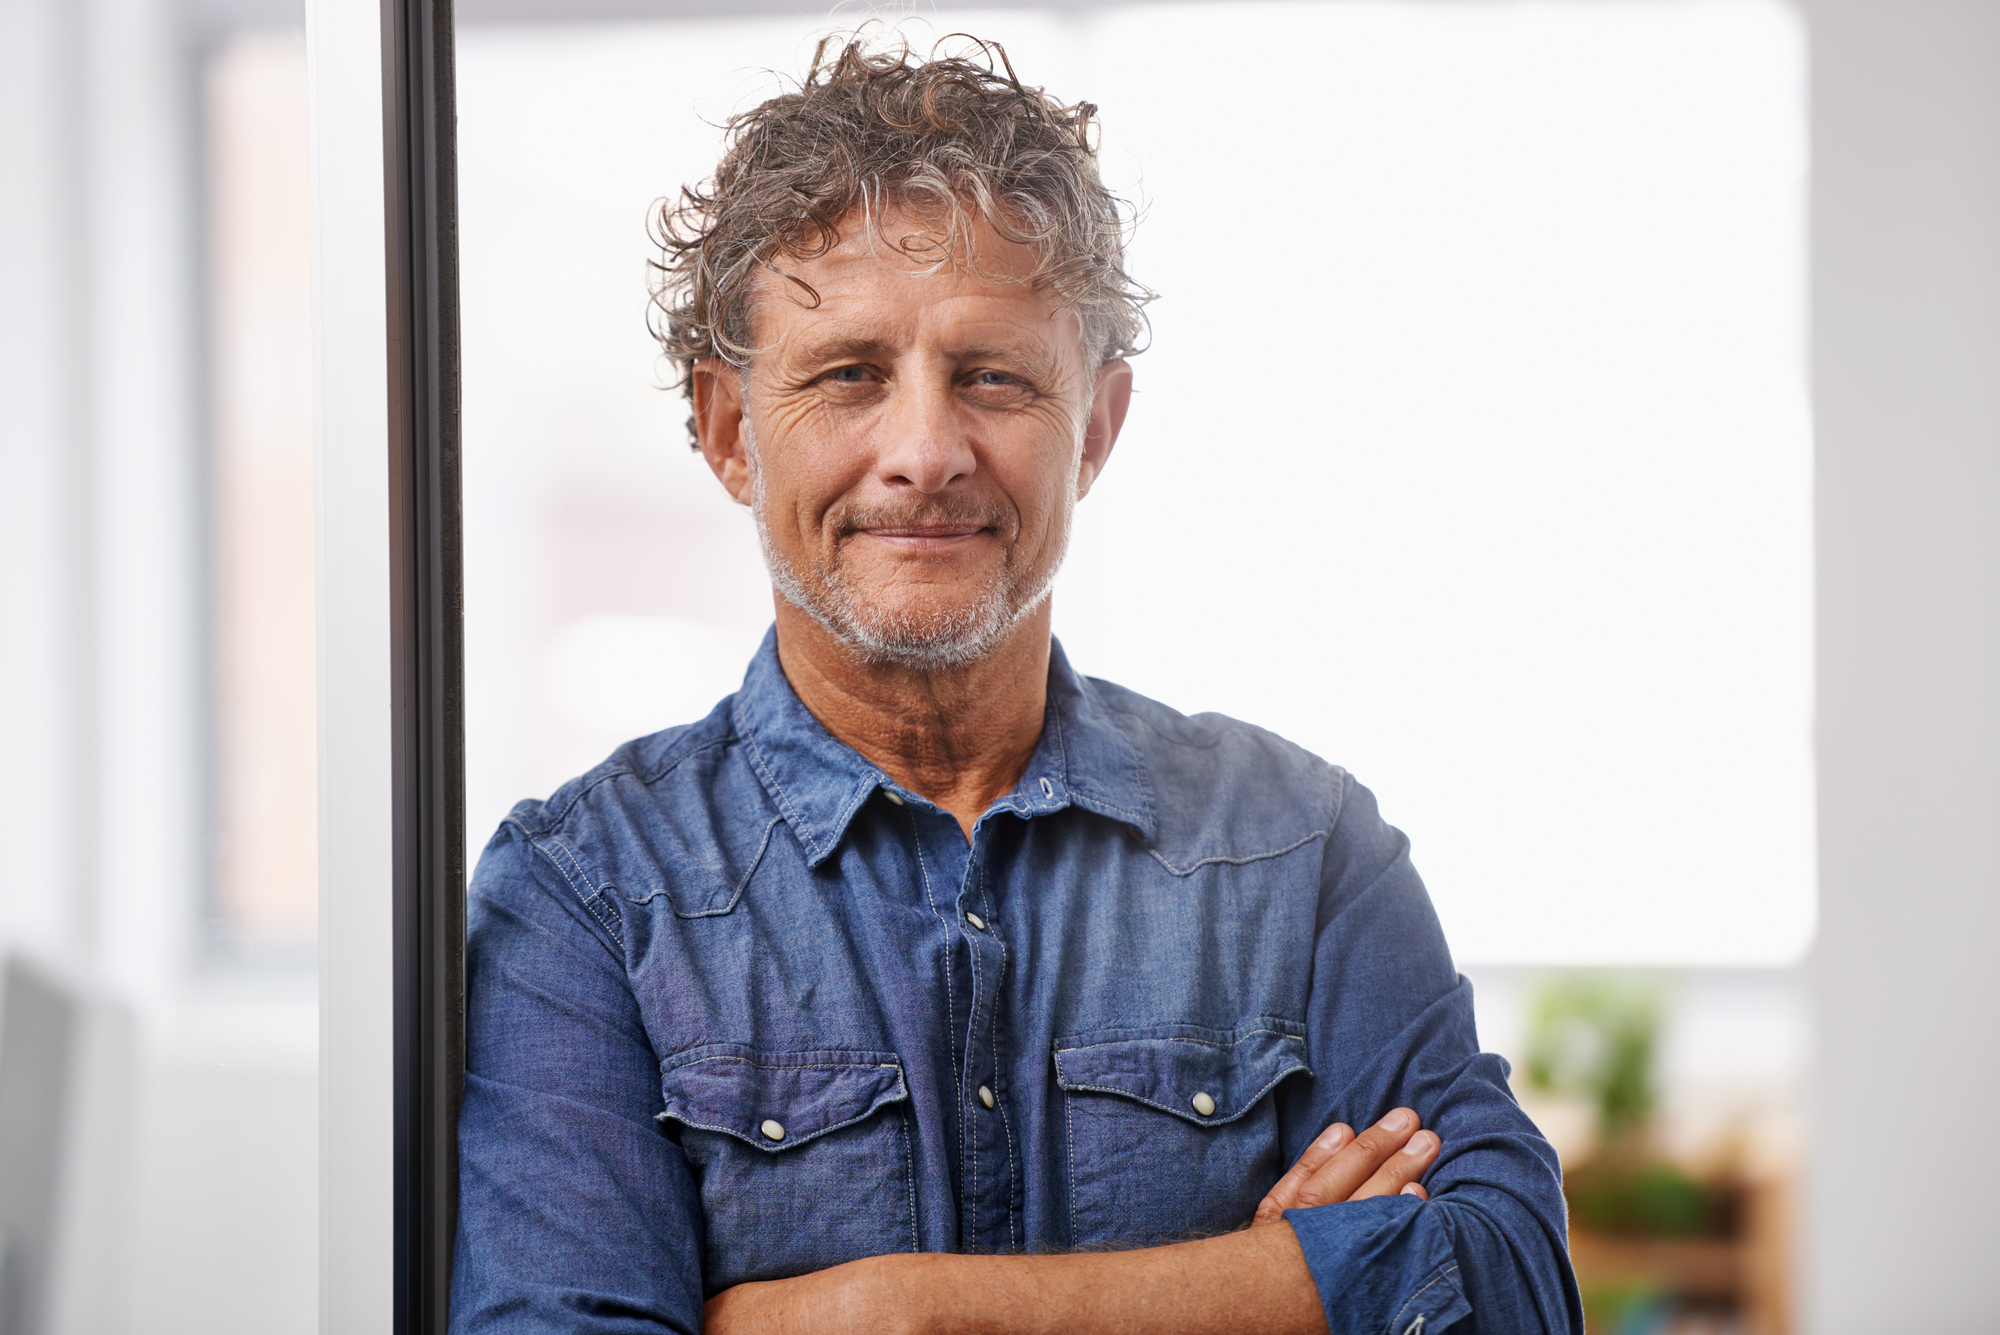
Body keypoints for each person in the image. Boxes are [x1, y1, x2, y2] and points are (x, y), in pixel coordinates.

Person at [450, 33, 1581, 1335]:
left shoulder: (1304, 850)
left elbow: (1508, 1288)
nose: (926, 452)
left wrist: (882, 1312)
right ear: (726, 430)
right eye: (850, 375)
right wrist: (1271, 1296)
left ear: (1094, 427)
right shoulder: (585, 898)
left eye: (992, 375)